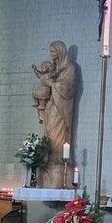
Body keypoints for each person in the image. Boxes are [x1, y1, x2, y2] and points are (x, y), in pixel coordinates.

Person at [38, 41, 77, 189]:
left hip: (61, 109)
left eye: (53, 52)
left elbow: (68, 89)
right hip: (51, 105)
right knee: (48, 132)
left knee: (58, 135)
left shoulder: (70, 68)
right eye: (50, 52)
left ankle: (59, 160)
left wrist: (52, 84)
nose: (51, 55)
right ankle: (48, 158)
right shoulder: (54, 68)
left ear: (61, 52)